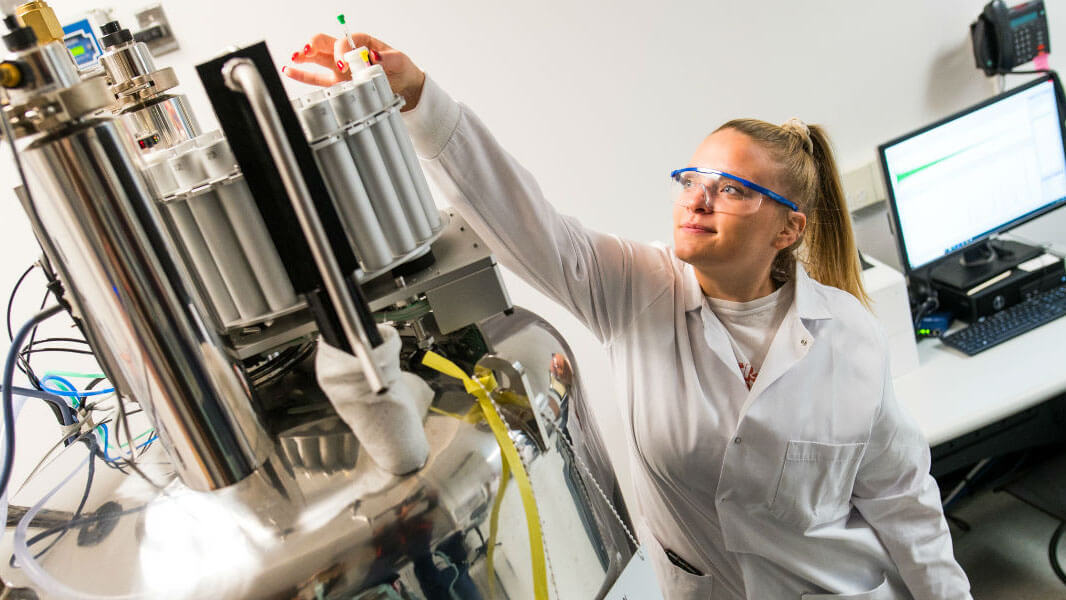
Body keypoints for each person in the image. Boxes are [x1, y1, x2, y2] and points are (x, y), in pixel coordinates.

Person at [285, 33, 972, 600]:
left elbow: (904, 502)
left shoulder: (848, 336)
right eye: (691, 180)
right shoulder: (641, 288)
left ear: (787, 230)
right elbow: (533, 227)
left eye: (730, 190)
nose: (696, 201)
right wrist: (419, 99)